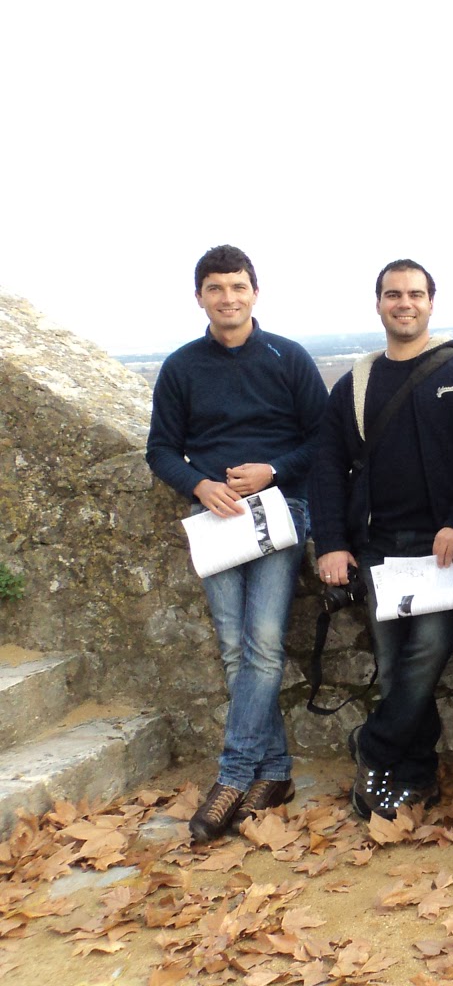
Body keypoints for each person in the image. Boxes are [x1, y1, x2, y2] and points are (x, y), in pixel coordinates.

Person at [309, 259, 453, 820]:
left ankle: (372, 746)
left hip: (446, 549)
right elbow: (327, 464)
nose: (404, 303)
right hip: (378, 547)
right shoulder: (356, 385)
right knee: (394, 667)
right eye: (393, 294)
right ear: (378, 304)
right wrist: (331, 541)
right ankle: (417, 775)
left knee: (425, 656)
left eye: (415, 294)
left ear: (431, 303)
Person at [146, 244, 327, 843]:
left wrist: (272, 471)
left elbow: (323, 440)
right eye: (216, 288)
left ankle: (232, 777)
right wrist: (199, 484)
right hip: (216, 518)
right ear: (200, 297)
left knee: (264, 642)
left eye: (238, 286)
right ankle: (274, 772)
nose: (228, 298)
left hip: (280, 511)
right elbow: (160, 449)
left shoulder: (288, 358)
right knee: (234, 649)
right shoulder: (181, 367)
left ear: (255, 292)